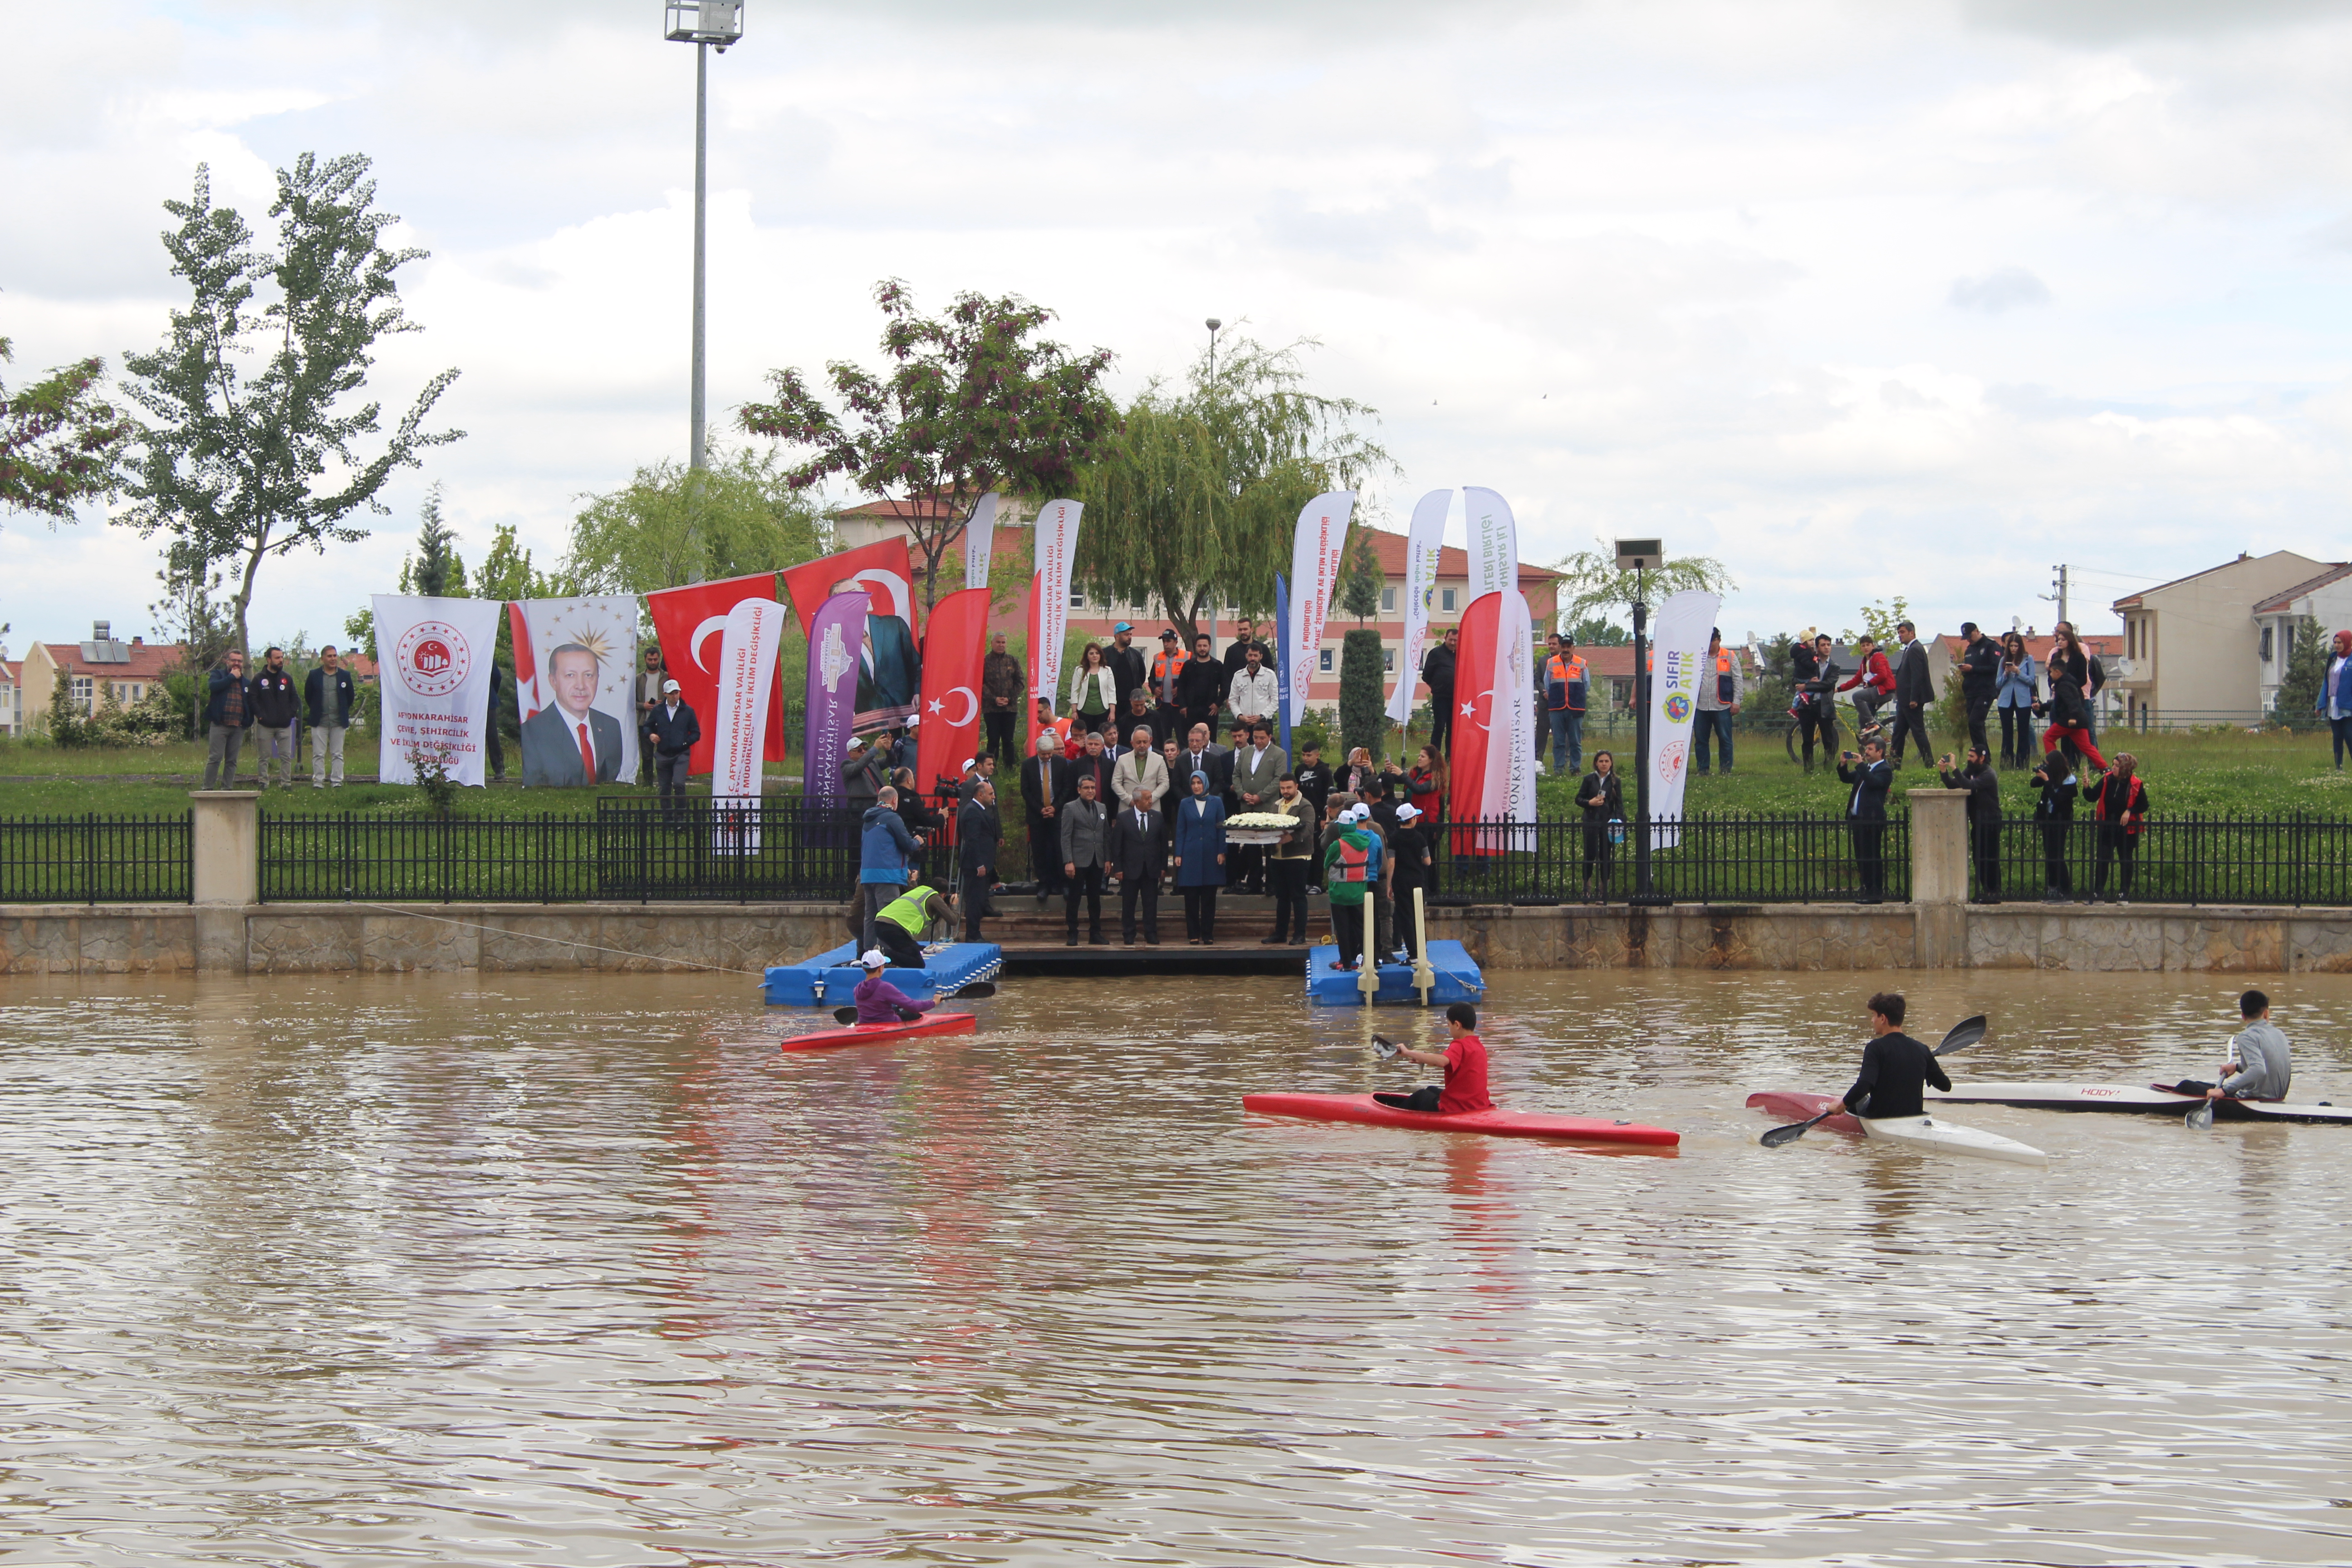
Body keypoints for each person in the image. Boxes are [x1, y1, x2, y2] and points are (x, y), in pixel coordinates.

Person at [517, 642, 623, 786]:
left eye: (588, 675)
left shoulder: (611, 727)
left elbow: (610, 779)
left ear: (598, 679)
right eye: (570, 675)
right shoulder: (534, 731)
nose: (581, 685)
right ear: (553, 681)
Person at [1834, 992, 1951, 1120]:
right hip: (1914, 1118)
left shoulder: (1875, 1047)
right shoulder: (1922, 1049)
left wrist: (1841, 1105)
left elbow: (1864, 1086)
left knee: (1856, 1101)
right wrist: (1929, 1074)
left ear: (1883, 1018)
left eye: (1874, 1015)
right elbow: (1945, 1086)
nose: (1872, 1020)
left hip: (1880, 1119)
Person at [1373, 1003, 1493, 1114]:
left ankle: (1390, 1115)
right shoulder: (1479, 1046)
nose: (1449, 1028)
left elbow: (1442, 1061)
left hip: (1461, 1108)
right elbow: (1450, 1063)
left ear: (1457, 1025)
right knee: (1431, 1090)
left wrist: (1408, 1053)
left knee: (1420, 1096)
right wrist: (1423, 1059)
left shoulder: (1460, 1044)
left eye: (1449, 1025)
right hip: (1479, 1104)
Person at [2184, 990, 2293, 1104]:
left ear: (2243, 1016)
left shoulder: (2246, 1036)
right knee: (2199, 1085)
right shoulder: (2279, 1033)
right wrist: (2237, 1067)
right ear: (2266, 1014)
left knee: (2186, 1085)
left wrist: (2224, 1091)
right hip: (2277, 1099)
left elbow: (2259, 1069)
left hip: (2254, 1100)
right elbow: (2270, 1064)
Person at [2038, 622, 2109, 772]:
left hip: (2071, 716)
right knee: (2085, 746)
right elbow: (2058, 702)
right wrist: (2043, 706)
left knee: (2048, 738)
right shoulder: (2057, 659)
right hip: (2073, 716)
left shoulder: (2068, 681)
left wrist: (2073, 716)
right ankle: (2104, 767)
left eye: (2063, 639)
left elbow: (2073, 703)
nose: (2059, 641)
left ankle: (2053, 765)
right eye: (2059, 639)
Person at [856, 784, 920, 949]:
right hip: (886, 876)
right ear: (895, 800)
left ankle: (869, 954)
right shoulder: (892, 818)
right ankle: (886, 956)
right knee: (888, 918)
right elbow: (907, 843)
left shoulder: (868, 819)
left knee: (871, 917)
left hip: (868, 876)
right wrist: (919, 841)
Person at [1938, 742, 2003, 903]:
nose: (1968, 759)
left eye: (1972, 757)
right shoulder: (1971, 771)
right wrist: (1944, 771)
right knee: (1979, 858)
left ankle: (1994, 892)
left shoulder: (1989, 774)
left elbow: (1969, 786)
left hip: (1991, 821)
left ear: (1982, 758)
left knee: (1990, 858)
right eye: (1968, 756)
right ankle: (1985, 891)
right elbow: (1954, 785)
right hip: (1978, 822)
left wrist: (1955, 768)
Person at [1321, 804, 1383, 970]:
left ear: (1341, 827)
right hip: (1359, 891)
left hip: (1340, 893)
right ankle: (1368, 959)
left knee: (1343, 929)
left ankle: (1346, 963)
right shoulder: (1366, 842)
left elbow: (1328, 864)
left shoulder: (1337, 845)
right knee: (1362, 927)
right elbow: (1378, 862)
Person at [1229, 720, 1286, 895]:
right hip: (1247, 806)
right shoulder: (1246, 752)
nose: (1259, 741)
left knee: (1270, 848)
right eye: (1256, 738)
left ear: (1269, 737)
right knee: (1251, 848)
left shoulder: (1279, 754)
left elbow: (1279, 779)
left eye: (1262, 738)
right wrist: (1242, 793)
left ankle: (1272, 884)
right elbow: (1236, 776)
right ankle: (1254, 883)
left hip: (1268, 807)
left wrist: (1261, 796)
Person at [1173, 768, 1229, 943]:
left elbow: (1222, 827)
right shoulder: (1185, 803)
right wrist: (1178, 853)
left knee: (1209, 898)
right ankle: (1193, 935)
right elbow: (1180, 830)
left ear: (1205, 783)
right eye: (1193, 783)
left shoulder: (1217, 802)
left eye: (1199, 783)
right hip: (1190, 853)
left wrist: (1222, 851)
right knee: (1191, 898)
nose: (1196, 786)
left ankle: (1208, 934)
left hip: (1212, 853)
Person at [1105, 784, 1166, 946]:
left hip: (1151, 869)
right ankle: (1129, 934)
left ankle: (1151, 933)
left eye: (1151, 798)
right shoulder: (1124, 818)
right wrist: (1118, 868)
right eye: (1147, 799)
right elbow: (1117, 846)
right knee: (1129, 904)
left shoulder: (1158, 817)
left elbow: (1164, 845)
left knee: (1151, 904)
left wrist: (1163, 867)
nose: (1151, 802)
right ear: (1137, 801)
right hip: (1130, 870)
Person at [2086, 751, 2148, 904]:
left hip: (2126, 829)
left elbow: (2144, 805)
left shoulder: (2136, 783)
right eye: (2113, 764)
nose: (2113, 768)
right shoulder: (2107, 779)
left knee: (2126, 860)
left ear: (2125, 769)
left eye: (2117, 765)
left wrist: (2129, 811)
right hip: (2107, 826)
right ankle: (2098, 892)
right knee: (2103, 858)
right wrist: (2087, 787)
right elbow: (2092, 797)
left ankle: (2124, 893)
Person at [1263, 773, 1317, 946]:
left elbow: (1308, 828)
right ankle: (1280, 933)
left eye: (1289, 788)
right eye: (1283, 788)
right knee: (1282, 897)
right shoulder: (1276, 805)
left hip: (1298, 856)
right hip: (1277, 856)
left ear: (1296, 787)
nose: (1285, 791)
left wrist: (1291, 838)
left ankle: (1300, 935)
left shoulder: (1305, 806)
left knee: (1298, 896)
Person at [1838, 735, 1893, 902]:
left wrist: (1862, 765)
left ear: (1880, 751)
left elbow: (1873, 783)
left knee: (1871, 856)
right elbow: (1846, 778)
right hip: (1858, 820)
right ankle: (1867, 888)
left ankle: (1875, 892)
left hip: (1872, 820)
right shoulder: (1867, 768)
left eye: (1870, 749)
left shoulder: (1884, 770)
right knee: (1861, 856)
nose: (1866, 752)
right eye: (1866, 749)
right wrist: (1843, 764)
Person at [1059, 770, 1110, 945]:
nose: (1090, 791)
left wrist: (1107, 859)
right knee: (1074, 898)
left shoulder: (1102, 807)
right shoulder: (1070, 808)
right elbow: (1065, 836)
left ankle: (1095, 933)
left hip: (1097, 860)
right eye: (1087, 788)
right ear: (1079, 790)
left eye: (1093, 788)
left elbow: (1105, 835)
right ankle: (1073, 933)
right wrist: (1068, 861)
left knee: (1095, 899)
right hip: (1078, 860)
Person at [1021, 731, 1067, 903]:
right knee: (1040, 851)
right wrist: (1041, 809)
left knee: (1059, 849)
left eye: (1050, 754)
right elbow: (1025, 790)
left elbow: (1066, 788)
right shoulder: (1028, 765)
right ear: (1037, 751)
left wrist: (1055, 808)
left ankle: (1063, 884)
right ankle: (1044, 884)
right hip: (1037, 815)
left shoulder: (1062, 764)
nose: (1047, 757)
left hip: (1057, 814)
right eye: (1044, 754)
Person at [871, 878, 954, 970]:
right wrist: (954, 905)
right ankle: (883, 953)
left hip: (880, 923)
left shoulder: (920, 891)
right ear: (943, 895)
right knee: (917, 963)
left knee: (911, 950)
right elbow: (953, 920)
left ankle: (885, 960)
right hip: (895, 928)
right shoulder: (934, 897)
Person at [304, 645, 356, 789]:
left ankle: (337, 781)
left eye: (335, 656)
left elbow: (350, 697)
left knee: (338, 753)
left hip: (338, 721)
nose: (333, 659)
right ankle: (319, 781)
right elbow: (308, 696)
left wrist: (343, 710)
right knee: (319, 754)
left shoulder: (345, 676)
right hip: (319, 721)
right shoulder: (314, 675)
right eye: (330, 656)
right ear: (323, 659)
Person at [645, 679, 701, 814]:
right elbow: (647, 726)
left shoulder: (687, 711)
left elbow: (696, 733)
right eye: (671, 694)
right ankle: (667, 817)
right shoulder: (658, 710)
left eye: (677, 693)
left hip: (681, 754)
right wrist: (652, 735)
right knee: (664, 788)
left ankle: (681, 816)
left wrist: (684, 743)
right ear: (665, 694)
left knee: (679, 784)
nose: (675, 696)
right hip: (663, 754)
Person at [1691, 627, 1742, 775]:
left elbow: (1738, 679)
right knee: (1701, 740)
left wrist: (1737, 701)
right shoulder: (1697, 657)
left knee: (1725, 739)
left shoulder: (1730, 656)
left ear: (1718, 640)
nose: (1709, 644)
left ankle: (1726, 770)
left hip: (1723, 705)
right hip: (1700, 706)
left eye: (1712, 640)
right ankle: (1703, 769)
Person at [2029, 752, 2078, 903]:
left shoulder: (2070, 781)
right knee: (2050, 855)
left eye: (2048, 764)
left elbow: (2057, 800)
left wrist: (2047, 781)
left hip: (2060, 821)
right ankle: (2052, 888)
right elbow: (2033, 784)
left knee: (2057, 856)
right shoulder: (2051, 775)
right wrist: (2041, 775)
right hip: (2048, 819)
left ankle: (2065, 890)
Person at [248, 646, 299, 789]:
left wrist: (290, 714)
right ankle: (263, 783)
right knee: (264, 757)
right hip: (265, 725)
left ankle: (286, 783)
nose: (281, 660)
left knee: (286, 756)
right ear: (269, 660)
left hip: (285, 725)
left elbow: (295, 698)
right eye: (277, 658)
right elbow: (252, 699)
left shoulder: (287, 678)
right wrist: (261, 716)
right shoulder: (259, 678)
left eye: (282, 657)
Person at [1789, 632, 1840, 772]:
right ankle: (1808, 769)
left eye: (1829, 645)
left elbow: (1828, 685)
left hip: (1825, 706)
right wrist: (1801, 683)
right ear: (1817, 647)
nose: (1826, 648)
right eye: (1823, 645)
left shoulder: (1835, 667)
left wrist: (1807, 686)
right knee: (1807, 739)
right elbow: (1795, 678)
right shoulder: (1809, 662)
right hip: (1807, 705)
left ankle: (1828, 768)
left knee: (1829, 740)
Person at [201, 649, 253, 789]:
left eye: (240, 661)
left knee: (232, 761)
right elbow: (213, 687)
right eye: (234, 660)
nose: (237, 663)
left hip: (238, 726)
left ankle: (227, 788)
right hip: (220, 724)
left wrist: (248, 721)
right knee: (215, 758)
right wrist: (231, 677)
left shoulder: (246, 682)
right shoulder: (218, 675)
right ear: (227, 662)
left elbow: (251, 703)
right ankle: (208, 788)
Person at [957, 777, 1000, 941]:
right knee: (975, 900)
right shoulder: (972, 811)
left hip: (983, 863)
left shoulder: (979, 810)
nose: (994, 797)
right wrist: (979, 864)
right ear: (981, 795)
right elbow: (972, 840)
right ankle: (973, 935)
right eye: (991, 794)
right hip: (975, 865)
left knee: (980, 899)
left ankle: (975, 933)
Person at [1577, 750, 1624, 899]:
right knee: (1590, 854)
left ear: (1611, 763)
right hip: (1591, 821)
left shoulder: (1616, 781)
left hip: (1608, 822)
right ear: (1596, 763)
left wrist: (1618, 821)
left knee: (1605, 855)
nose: (1604, 764)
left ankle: (1604, 888)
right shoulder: (1589, 779)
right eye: (1601, 761)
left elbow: (1619, 804)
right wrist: (1590, 803)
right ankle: (1587, 887)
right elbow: (1578, 799)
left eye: (1607, 761)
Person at [1887, 620, 1934, 767]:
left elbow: (1917, 675)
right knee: (1898, 733)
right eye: (1899, 633)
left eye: (1902, 632)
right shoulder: (1909, 649)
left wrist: (1914, 698)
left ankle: (1929, 762)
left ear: (1911, 633)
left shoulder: (1915, 649)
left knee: (1918, 732)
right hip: (1904, 700)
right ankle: (1894, 764)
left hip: (1911, 701)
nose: (1900, 636)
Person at [1388, 802, 1432, 957]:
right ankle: (1422, 949)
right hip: (1417, 880)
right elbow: (1428, 861)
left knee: (1405, 916)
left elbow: (1391, 862)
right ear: (1412, 819)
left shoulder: (1393, 838)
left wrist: (1389, 884)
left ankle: (1412, 953)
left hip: (1400, 881)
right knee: (1418, 914)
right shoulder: (1420, 838)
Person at [1544, 633, 1589, 778]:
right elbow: (1547, 684)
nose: (1566, 649)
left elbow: (1587, 685)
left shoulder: (1582, 663)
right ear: (1560, 647)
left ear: (1573, 648)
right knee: (1558, 741)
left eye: (1569, 646)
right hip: (1557, 708)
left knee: (1575, 741)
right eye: (1563, 646)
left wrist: (1577, 698)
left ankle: (1575, 768)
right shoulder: (1551, 663)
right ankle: (1558, 769)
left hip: (1576, 708)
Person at [850, 948, 930, 1025]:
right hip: (889, 1024)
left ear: (864, 968)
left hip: (864, 1025)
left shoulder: (857, 989)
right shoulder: (885, 987)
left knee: (896, 1010)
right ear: (881, 968)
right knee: (912, 1014)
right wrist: (934, 1002)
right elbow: (914, 1007)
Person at [980, 632, 1024, 767]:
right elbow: (980, 683)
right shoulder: (984, 661)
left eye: (1003, 642)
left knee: (1008, 739)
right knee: (993, 739)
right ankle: (991, 767)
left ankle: (1009, 767)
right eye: (998, 642)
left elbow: (1020, 682)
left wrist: (1009, 699)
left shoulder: (1013, 661)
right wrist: (994, 699)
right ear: (992, 643)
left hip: (1009, 708)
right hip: (991, 708)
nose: (1001, 645)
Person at [1996, 632, 2038, 769]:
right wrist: (2006, 673)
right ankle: (2006, 764)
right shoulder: (2003, 661)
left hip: (2023, 700)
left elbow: (2031, 681)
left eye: (2016, 646)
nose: (2014, 649)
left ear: (2020, 646)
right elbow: (1998, 684)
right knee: (2007, 733)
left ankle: (2022, 764)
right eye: (2011, 646)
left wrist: (2018, 672)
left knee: (2023, 732)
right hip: (2006, 700)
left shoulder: (2028, 659)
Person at [1838, 634, 1894, 737]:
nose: (1866, 647)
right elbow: (1856, 680)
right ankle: (1866, 743)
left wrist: (1870, 683)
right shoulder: (1865, 663)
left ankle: (1872, 723)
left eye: (1868, 645)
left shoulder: (1878, 657)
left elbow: (1883, 675)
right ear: (1860, 648)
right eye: (1863, 646)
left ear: (1873, 646)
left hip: (1884, 691)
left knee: (1857, 696)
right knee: (1863, 718)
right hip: (1876, 691)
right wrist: (1838, 689)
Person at [1958, 621, 2000, 757]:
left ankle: (1984, 756)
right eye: (1967, 638)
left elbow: (1995, 668)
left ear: (1977, 631)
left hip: (1985, 690)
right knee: (1973, 726)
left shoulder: (1991, 646)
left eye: (1971, 636)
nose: (1969, 639)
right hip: (1971, 691)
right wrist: (1965, 671)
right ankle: (1979, 754)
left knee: (1975, 722)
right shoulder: (1969, 650)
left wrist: (1974, 669)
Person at [1225, 642, 1280, 737]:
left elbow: (1276, 700)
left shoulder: (1270, 675)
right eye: (1250, 655)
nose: (1253, 658)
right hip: (1244, 724)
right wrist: (1240, 716)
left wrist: (1262, 717)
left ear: (1261, 656)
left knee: (1264, 751)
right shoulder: (1238, 676)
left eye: (1256, 656)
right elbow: (1233, 700)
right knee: (1244, 751)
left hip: (1264, 723)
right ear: (1246, 656)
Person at [1112, 723, 1171, 811]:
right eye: (1139, 742)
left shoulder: (1159, 759)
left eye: (1145, 742)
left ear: (1150, 741)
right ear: (1132, 743)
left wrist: (1149, 799)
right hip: (1128, 808)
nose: (1142, 745)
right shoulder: (1122, 760)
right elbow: (1115, 783)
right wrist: (1129, 800)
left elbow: (1165, 784)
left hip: (1152, 807)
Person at [632, 646, 668, 785]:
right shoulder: (639, 679)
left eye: (655, 659)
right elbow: (632, 702)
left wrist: (663, 705)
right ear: (645, 660)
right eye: (650, 660)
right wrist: (644, 705)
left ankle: (664, 782)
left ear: (659, 659)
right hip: (645, 722)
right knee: (647, 756)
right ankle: (648, 783)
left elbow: (675, 697)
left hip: (664, 722)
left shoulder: (667, 677)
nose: (653, 662)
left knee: (664, 754)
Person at [1178, 632, 1226, 734]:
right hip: (1191, 710)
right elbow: (1181, 687)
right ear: (1196, 647)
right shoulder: (1189, 666)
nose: (1202, 648)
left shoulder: (1217, 666)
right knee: (1192, 739)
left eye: (1205, 646)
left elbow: (1225, 687)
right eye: (1199, 646)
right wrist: (1183, 706)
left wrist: (1218, 704)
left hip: (1210, 710)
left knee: (1210, 740)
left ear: (1210, 647)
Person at [1067, 642, 1117, 736]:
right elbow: (1074, 691)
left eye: (1097, 653)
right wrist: (1074, 711)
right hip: (1084, 711)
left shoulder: (1107, 670)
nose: (1095, 656)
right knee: (1087, 737)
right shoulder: (1080, 671)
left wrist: (1112, 712)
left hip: (1103, 711)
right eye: (1091, 654)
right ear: (1087, 656)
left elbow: (1112, 692)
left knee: (1102, 737)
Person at [1059, 726, 1115, 812]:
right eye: (1090, 744)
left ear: (1103, 747)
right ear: (1086, 746)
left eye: (1096, 744)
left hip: (1106, 810)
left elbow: (1112, 792)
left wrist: (1114, 815)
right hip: (1081, 811)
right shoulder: (1075, 765)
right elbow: (1071, 791)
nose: (1093, 747)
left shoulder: (1111, 765)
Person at [1422, 627, 1459, 754]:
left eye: (1456, 640)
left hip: (1456, 699)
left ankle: (1450, 758)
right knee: (1439, 727)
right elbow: (1426, 675)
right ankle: (1434, 757)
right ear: (1445, 639)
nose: (1453, 643)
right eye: (1451, 640)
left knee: (1453, 730)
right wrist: (1437, 687)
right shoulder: (1436, 653)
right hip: (1440, 698)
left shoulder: (1461, 655)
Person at [1149, 630, 1191, 739]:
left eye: (1168, 641)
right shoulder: (1158, 658)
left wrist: (1180, 689)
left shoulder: (1187, 656)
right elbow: (1152, 679)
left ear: (1176, 642)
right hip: (1163, 705)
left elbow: (1191, 680)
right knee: (1164, 738)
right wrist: (1154, 689)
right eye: (1164, 641)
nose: (1166, 644)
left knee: (1183, 738)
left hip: (1179, 705)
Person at [2321, 629, 2352, 770]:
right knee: (2337, 737)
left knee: (2349, 736)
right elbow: (2325, 682)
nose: (2337, 645)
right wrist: (2320, 704)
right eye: (2335, 642)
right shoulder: (2333, 659)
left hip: (2348, 705)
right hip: (2333, 703)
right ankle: (2338, 768)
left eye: (2340, 642)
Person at [1104, 621, 1148, 717]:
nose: (1130, 637)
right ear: (1117, 636)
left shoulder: (1136, 655)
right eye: (1126, 635)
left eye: (1131, 634)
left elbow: (1142, 676)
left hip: (1131, 702)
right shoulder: (1105, 654)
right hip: (1111, 702)